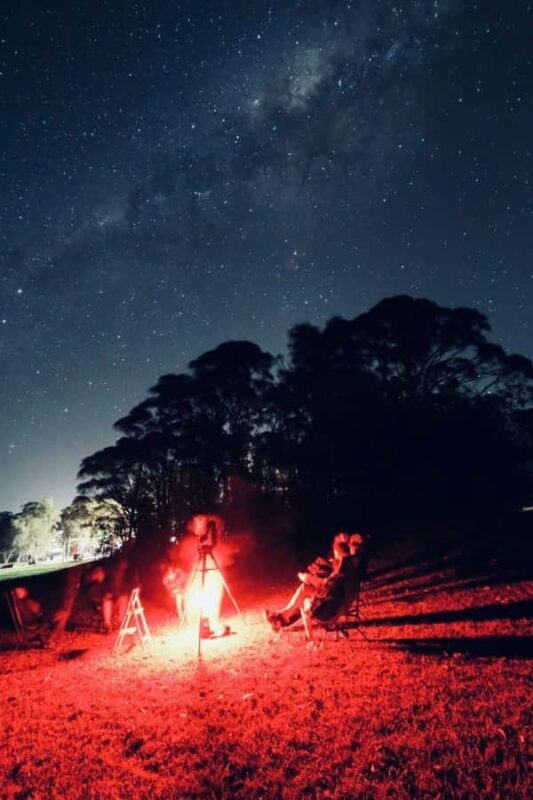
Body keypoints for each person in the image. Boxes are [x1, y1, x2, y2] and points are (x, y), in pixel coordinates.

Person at [265, 537, 355, 632]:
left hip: (328, 609)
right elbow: (330, 584)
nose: (334, 553)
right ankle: (283, 617)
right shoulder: (348, 567)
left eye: (335, 551)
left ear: (339, 552)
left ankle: (284, 619)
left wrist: (309, 578)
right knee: (305, 588)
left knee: (304, 596)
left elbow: (326, 585)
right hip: (337, 602)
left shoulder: (341, 570)